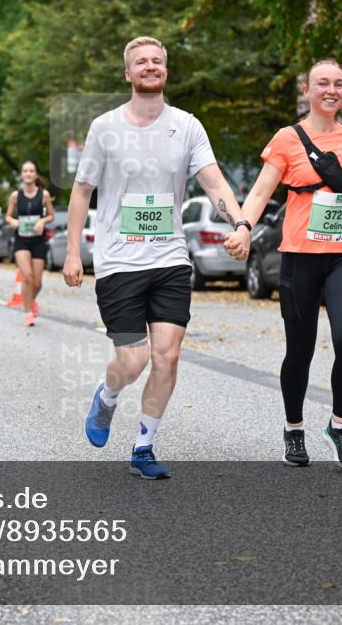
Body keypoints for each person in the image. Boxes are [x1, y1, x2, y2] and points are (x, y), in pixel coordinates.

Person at [64, 37, 249, 480]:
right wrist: (74, 252)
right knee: (133, 360)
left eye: (157, 61)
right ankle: (107, 397)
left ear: (166, 70)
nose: (150, 66)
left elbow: (215, 184)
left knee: (167, 356)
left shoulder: (186, 126)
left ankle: (144, 446)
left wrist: (240, 223)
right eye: (141, 62)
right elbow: (82, 190)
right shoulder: (105, 127)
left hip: (169, 259)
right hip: (118, 263)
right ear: (128, 75)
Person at [237, 58, 342, 470]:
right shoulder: (287, 139)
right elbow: (259, 193)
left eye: (339, 84)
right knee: (300, 350)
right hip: (299, 259)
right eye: (322, 83)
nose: (331, 90)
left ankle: (339, 426)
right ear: (306, 91)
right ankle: (293, 430)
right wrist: (242, 227)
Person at [4, 161, 54, 326]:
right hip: (22, 240)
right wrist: (13, 222)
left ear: (36, 175)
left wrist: (42, 222)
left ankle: (29, 301)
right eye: (25, 171)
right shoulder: (15, 196)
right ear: (21, 175)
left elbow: (51, 216)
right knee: (27, 277)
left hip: (38, 240)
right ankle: (28, 312)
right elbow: (8, 216)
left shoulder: (44, 195)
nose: (28, 173)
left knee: (37, 283)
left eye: (31, 171)